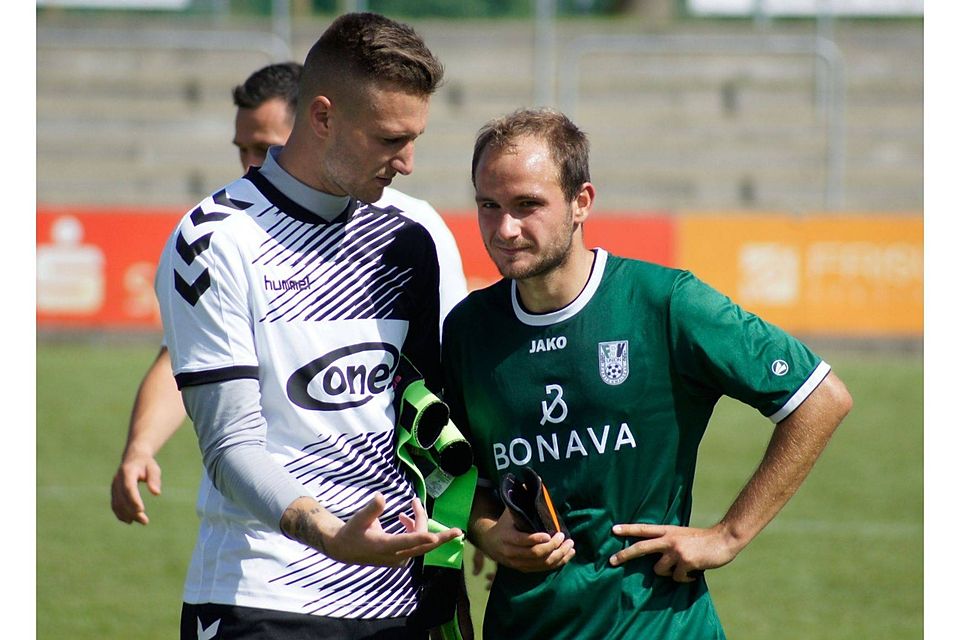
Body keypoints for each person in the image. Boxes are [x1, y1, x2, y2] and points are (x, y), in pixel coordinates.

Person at [440, 108, 853, 639]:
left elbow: (820, 398)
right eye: (488, 206)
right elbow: (445, 465)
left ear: (581, 202)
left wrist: (728, 535)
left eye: (528, 205)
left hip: (656, 624)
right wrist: (484, 529)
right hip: (524, 625)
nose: (504, 229)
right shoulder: (469, 330)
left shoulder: (665, 303)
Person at [154, 14, 467, 639]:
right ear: (322, 117)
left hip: (402, 599)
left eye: (415, 139)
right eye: (388, 139)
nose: (406, 162)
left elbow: (438, 415)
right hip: (263, 595)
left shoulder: (414, 236)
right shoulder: (217, 239)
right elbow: (230, 445)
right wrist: (325, 532)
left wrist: (484, 522)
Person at [111, 61, 469, 528]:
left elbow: (446, 382)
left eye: (264, 146)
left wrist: (468, 512)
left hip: (394, 549)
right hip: (262, 541)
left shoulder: (415, 231)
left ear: (315, 124)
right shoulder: (219, 234)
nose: (250, 164)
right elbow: (180, 360)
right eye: (243, 149)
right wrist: (140, 446)